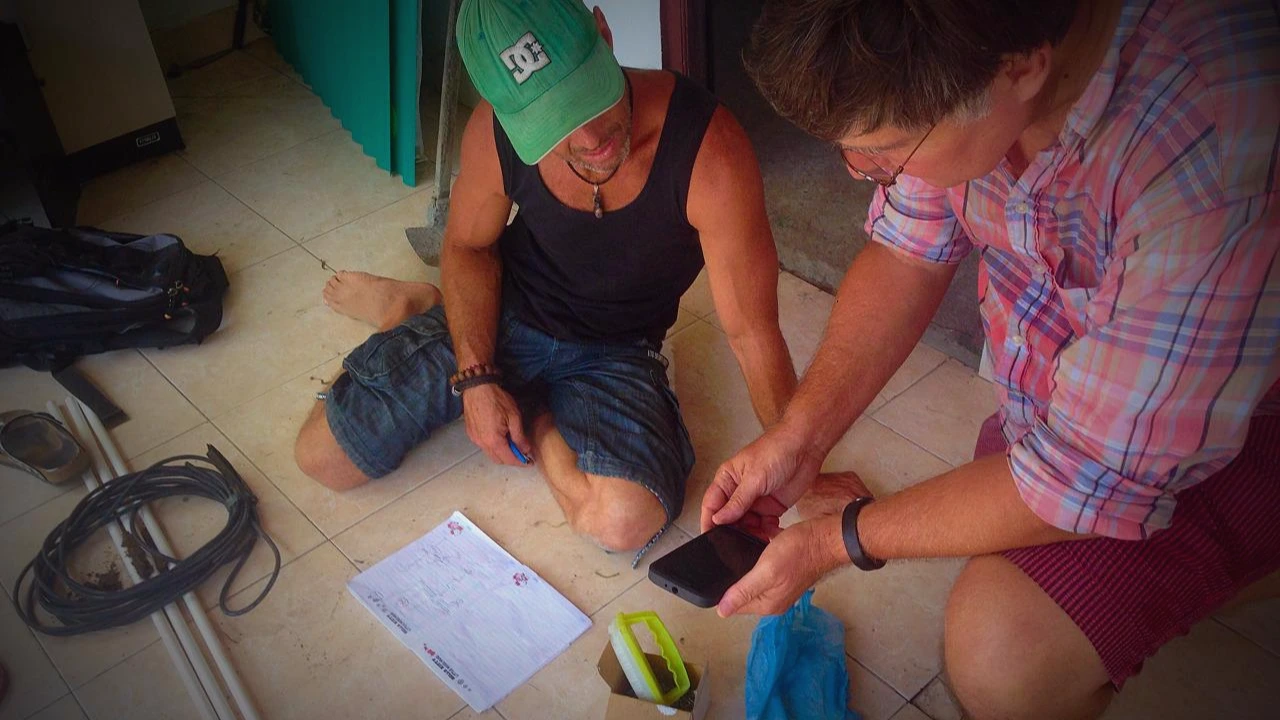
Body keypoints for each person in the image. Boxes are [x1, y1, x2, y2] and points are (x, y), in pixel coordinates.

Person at [699, 1, 1280, 718]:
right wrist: (799, 437)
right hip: (1074, 416)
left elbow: (1082, 474)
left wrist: (833, 542)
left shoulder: (1212, 153)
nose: (857, 172)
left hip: (1234, 432)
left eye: (886, 149)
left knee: (1002, 655)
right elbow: (907, 255)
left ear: (1023, 68)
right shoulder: (956, 62)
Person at [293, 0, 796, 555]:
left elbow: (752, 331)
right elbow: (467, 245)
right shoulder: (493, 131)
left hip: (617, 348)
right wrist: (475, 375)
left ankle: (535, 408)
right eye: (552, 123)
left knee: (624, 520)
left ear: (603, 33)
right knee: (323, 457)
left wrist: (797, 461)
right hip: (504, 313)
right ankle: (411, 309)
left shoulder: (707, 149)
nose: (589, 138)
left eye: (588, 96)